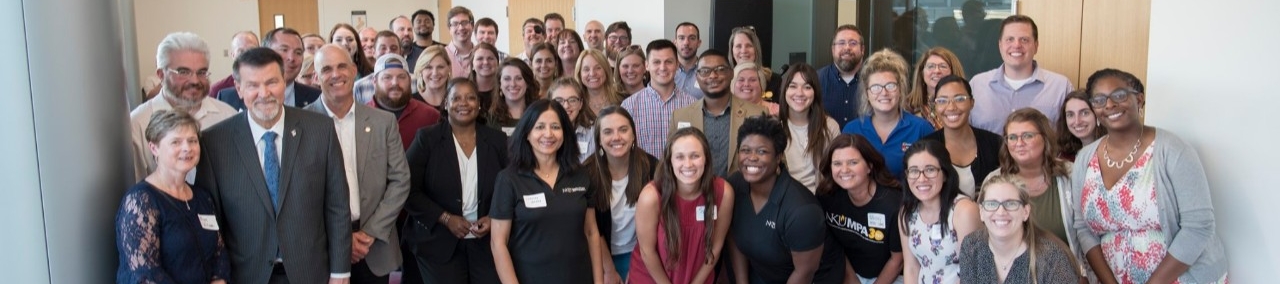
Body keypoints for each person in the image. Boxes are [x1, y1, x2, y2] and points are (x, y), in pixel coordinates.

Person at [195, 47, 352, 284]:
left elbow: (338, 206)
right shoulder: (214, 142)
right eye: (253, 85)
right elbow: (211, 219)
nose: (264, 93)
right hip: (246, 275)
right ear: (239, 89)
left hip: (311, 273)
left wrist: (340, 272)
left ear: (284, 82)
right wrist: (217, 274)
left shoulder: (320, 130)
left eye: (271, 82)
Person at [1073, 69, 1228, 283]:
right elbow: (1083, 227)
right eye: (1099, 100)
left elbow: (1199, 227)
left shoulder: (1173, 151)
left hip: (1181, 278)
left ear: (1139, 99)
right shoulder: (1084, 159)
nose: (1109, 105)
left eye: (1119, 95)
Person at [305, 44, 412, 284]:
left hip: (374, 247)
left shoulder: (383, 122)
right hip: (323, 249)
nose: (336, 74)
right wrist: (341, 239)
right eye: (327, 69)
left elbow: (400, 180)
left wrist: (369, 232)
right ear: (315, 77)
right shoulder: (302, 124)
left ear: (354, 70)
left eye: (342, 66)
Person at [403, 78, 506, 283]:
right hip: (437, 242)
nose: (464, 103)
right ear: (446, 104)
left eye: (470, 98)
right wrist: (446, 218)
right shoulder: (427, 139)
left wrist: (493, 217)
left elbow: (510, 188)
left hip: (486, 242)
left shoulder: (497, 140)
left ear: (479, 103)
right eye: (456, 98)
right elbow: (408, 189)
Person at [490, 99, 604, 283]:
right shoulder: (508, 179)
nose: (548, 134)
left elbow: (591, 232)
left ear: (565, 133)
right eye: (540, 127)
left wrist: (599, 281)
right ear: (527, 133)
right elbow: (498, 243)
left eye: (555, 127)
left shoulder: (580, 174)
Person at [727, 115, 846, 284]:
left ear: (778, 157)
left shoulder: (802, 210)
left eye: (762, 151)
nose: (752, 157)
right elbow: (734, 238)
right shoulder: (734, 186)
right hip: (765, 274)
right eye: (745, 150)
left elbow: (804, 273)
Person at [117, 110, 229, 284]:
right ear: (154, 148)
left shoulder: (203, 197)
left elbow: (219, 253)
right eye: (176, 142)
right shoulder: (141, 201)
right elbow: (145, 274)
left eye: (192, 140)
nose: (187, 148)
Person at [629, 127, 735, 284]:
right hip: (652, 278)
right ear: (669, 161)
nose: (688, 164)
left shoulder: (724, 193)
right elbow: (647, 252)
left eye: (695, 156)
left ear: (706, 158)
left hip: (699, 277)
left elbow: (715, 248)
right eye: (679, 157)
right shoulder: (651, 197)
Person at [131, 32, 237, 182]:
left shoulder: (227, 116)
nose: (194, 80)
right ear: (161, 75)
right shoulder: (138, 124)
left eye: (201, 72)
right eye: (183, 72)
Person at [959, 175, 1081, 283]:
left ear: (1025, 212)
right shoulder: (972, 246)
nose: (1001, 212)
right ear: (981, 212)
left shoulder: (1052, 258)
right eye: (992, 204)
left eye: (1011, 204)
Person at [817, 134, 904, 284]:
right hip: (844, 271)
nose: (844, 170)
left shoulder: (893, 204)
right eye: (837, 163)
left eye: (853, 162)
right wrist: (851, 279)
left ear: (869, 166)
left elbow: (898, 260)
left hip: (890, 276)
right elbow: (834, 247)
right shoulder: (826, 196)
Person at [585, 106, 658, 283]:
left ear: (633, 135)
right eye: (608, 132)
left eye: (623, 130)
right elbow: (592, 229)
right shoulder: (586, 174)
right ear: (599, 140)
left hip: (642, 253)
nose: (616, 137)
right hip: (601, 257)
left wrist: (638, 264)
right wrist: (608, 270)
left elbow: (658, 224)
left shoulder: (652, 167)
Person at [968, 15, 1073, 135]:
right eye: (1010, 39)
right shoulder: (977, 85)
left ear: (1036, 46)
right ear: (1000, 45)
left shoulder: (1060, 87)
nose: (1017, 45)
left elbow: (1071, 140)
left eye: (1024, 39)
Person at [671, 50, 768, 178]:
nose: (712, 76)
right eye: (705, 71)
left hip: (743, 194)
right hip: (696, 194)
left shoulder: (757, 114)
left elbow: (769, 161)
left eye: (720, 69)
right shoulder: (680, 117)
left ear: (731, 73)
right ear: (697, 76)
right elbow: (671, 162)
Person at [988, 108, 1076, 250]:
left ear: (1045, 138)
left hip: (1065, 268)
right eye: (1012, 137)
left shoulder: (1071, 174)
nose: (1019, 143)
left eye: (1027, 136)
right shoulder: (994, 181)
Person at [899, 140, 981, 284]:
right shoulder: (906, 213)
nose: (922, 178)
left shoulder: (964, 211)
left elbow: (973, 272)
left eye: (930, 169)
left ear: (945, 174)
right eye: (914, 171)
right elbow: (911, 268)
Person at [842, 49, 933, 180]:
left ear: (900, 90)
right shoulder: (852, 130)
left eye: (890, 86)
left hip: (906, 200)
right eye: (876, 87)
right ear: (867, 94)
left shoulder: (921, 129)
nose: (884, 93)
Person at [921, 75, 1002, 197]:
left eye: (959, 99)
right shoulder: (925, 147)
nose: (951, 107)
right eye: (942, 101)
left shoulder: (994, 143)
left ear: (972, 103)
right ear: (935, 106)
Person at [622, 40, 697, 158]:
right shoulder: (629, 106)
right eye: (656, 62)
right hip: (643, 174)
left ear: (677, 65)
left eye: (668, 62)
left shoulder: (692, 105)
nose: (662, 68)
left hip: (680, 174)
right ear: (646, 65)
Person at [217, 27, 322, 110]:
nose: (291, 58)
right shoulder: (228, 98)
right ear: (266, 52)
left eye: (298, 52)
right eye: (284, 50)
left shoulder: (316, 97)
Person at [779, 63, 841, 192]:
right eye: (793, 86)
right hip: (783, 201)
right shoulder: (774, 126)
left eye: (807, 87)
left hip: (820, 201)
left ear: (815, 92)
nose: (799, 93)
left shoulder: (830, 126)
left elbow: (837, 172)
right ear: (784, 90)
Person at [819, 25, 867, 128]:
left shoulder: (872, 81)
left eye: (853, 43)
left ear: (862, 49)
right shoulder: (817, 80)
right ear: (833, 49)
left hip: (864, 143)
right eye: (841, 43)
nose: (847, 48)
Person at [906, 47, 966, 129]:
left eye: (943, 66)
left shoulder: (964, 104)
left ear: (953, 72)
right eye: (931, 66)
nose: (937, 71)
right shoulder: (907, 106)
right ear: (921, 73)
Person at [548, 77, 597, 162]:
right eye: (559, 101)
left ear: (581, 104)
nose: (566, 106)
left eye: (572, 100)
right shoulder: (542, 134)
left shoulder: (594, 131)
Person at [353, 31, 409, 104]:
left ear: (401, 53)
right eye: (383, 48)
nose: (388, 52)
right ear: (373, 52)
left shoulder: (414, 82)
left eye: (393, 48)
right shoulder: (359, 87)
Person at [487, 58, 537, 136]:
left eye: (518, 78)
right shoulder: (491, 118)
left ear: (527, 83)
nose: (513, 84)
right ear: (500, 84)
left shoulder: (539, 113)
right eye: (507, 79)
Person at [727, 26, 779, 98]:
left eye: (749, 46)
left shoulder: (773, 80)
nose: (743, 51)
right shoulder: (724, 81)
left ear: (756, 50)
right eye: (738, 46)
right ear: (732, 51)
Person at [1056, 90, 1105, 161]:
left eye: (1085, 113)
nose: (1077, 121)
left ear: (1097, 115)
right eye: (1070, 115)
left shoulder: (1110, 153)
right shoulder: (1063, 155)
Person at [209, 31, 258, 97]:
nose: (247, 55)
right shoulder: (217, 90)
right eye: (241, 51)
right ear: (233, 55)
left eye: (252, 50)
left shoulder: (271, 85)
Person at [575, 49, 625, 115]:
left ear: (606, 70)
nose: (592, 73)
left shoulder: (623, 100)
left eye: (598, 68)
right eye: (586, 69)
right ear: (579, 74)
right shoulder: (575, 105)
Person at [414, 45, 451, 112]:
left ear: (449, 68)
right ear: (421, 71)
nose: (435, 73)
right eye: (428, 67)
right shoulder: (411, 102)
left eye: (440, 67)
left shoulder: (457, 101)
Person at [674, 22, 704, 98]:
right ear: (675, 42)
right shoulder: (666, 71)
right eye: (681, 38)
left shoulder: (707, 71)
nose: (686, 43)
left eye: (692, 38)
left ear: (699, 43)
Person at [446, 6, 477, 78]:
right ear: (449, 29)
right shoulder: (442, 55)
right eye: (455, 24)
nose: (461, 28)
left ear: (472, 26)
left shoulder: (480, 54)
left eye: (464, 23)